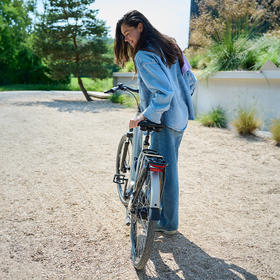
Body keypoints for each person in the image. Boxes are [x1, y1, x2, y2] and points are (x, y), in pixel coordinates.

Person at [114, 10, 195, 235]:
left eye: (128, 33)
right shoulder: (169, 46)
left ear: (140, 27)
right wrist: (181, 103)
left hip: (164, 120)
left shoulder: (144, 55)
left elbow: (163, 93)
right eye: (123, 35)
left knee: (165, 173)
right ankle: (160, 214)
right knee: (167, 168)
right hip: (179, 118)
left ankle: (168, 223)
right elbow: (191, 80)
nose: (126, 39)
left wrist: (145, 115)